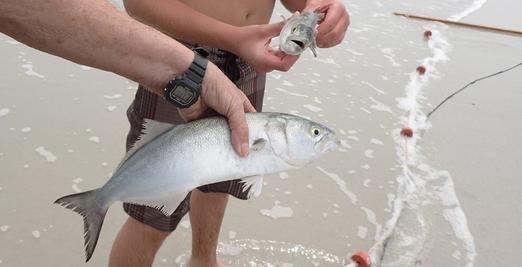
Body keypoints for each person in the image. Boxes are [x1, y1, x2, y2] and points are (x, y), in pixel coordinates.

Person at [110, 1, 350, 266]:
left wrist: (318, 9)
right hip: (181, 55)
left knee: (224, 175)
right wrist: (234, 38)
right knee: (151, 215)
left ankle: (203, 261)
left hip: (249, 56)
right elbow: (139, 4)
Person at [0, 0, 255, 157]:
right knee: (152, 215)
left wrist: (186, 70)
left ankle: (205, 249)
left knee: (224, 173)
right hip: (179, 45)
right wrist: (189, 67)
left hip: (237, 58)